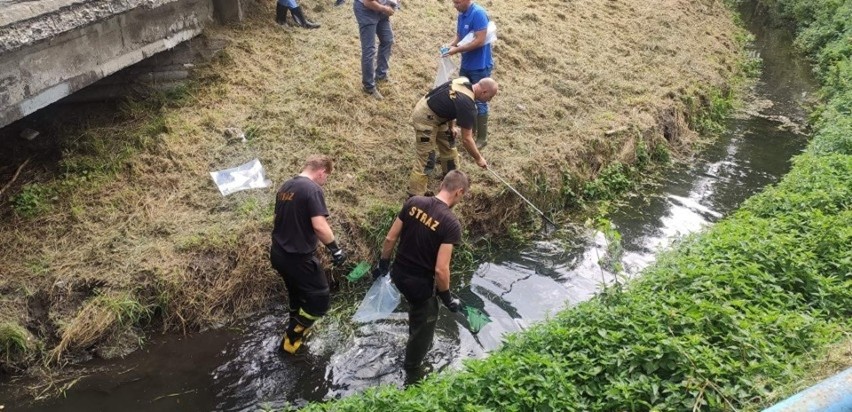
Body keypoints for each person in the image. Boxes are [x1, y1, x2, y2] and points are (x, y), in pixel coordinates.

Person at [372, 170, 469, 375]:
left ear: (442, 183)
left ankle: (411, 335)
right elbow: (441, 269)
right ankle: (412, 369)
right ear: (459, 192)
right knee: (423, 328)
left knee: (415, 311)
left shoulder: (414, 202)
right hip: (420, 287)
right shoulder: (451, 224)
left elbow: (390, 239)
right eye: (462, 196)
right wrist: (447, 298)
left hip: (398, 275)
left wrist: (383, 264)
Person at [270, 155, 347, 354]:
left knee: (297, 295)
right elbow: (320, 226)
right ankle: (291, 341)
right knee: (319, 301)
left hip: (279, 253)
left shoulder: (286, 186)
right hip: (298, 257)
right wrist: (335, 249)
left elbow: (280, 218)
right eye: (327, 176)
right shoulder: (312, 189)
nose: (325, 181)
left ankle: (293, 326)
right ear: (321, 171)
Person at [407, 76, 498, 197]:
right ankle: (415, 195)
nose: (489, 100)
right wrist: (478, 158)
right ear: (484, 92)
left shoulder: (463, 81)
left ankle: (452, 181)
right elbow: (467, 139)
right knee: (427, 159)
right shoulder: (468, 105)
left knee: (449, 145)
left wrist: (452, 126)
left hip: (438, 114)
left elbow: (449, 103)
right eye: (490, 97)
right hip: (425, 118)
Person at [442, 0, 494, 148]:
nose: (455, 5)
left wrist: (457, 50)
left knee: (480, 99)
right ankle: (471, 131)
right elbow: (459, 35)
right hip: (466, 64)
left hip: (480, 66)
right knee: (464, 96)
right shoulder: (462, 13)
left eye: (457, 2)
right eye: (453, 2)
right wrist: (450, 45)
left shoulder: (478, 14)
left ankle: (482, 138)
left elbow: (479, 40)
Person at [354, 0, 398, 99]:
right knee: (369, 49)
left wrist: (392, 5)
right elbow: (367, 2)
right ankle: (369, 86)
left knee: (387, 40)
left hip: (381, 7)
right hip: (366, 9)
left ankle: (381, 75)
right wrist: (385, 8)